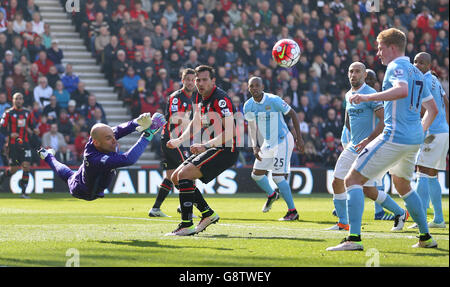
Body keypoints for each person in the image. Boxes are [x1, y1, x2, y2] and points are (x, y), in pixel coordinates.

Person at [327, 28, 439, 251]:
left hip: (394, 136)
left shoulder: (395, 66)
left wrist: (367, 96)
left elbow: (401, 91)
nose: (377, 53)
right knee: (403, 184)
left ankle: (354, 239)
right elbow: (432, 109)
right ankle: (426, 237)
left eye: (380, 48)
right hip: (413, 139)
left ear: (392, 47)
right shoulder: (418, 72)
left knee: (352, 180)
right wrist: (418, 131)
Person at [327, 62, 407, 232]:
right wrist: (352, 138)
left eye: (357, 71)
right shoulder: (348, 95)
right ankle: (343, 222)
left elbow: (383, 122)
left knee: (369, 189)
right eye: (350, 71)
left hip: (369, 147)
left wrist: (368, 140)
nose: (353, 74)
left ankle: (400, 212)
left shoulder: (371, 94)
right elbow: (349, 120)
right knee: (336, 181)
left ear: (364, 75)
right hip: (353, 146)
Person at [165, 65, 239, 236]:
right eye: (198, 80)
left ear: (213, 81)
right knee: (176, 177)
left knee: (185, 175)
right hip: (213, 146)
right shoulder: (199, 96)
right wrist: (179, 140)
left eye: (205, 80)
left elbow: (230, 132)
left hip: (226, 149)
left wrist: (205, 146)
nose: (200, 83)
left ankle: (186, 225)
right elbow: (196, 121)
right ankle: (207, 214)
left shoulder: (221, 99)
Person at [37, 113, 166, 201]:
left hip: (86, 174)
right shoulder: (95, 159)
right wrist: (147, 135)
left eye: (113, 137)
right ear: (97, 143)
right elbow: (129, 159)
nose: (114, 140)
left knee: (70, 173)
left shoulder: (100, 138)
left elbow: (119, 130)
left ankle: (48, 155)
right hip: (82, 191)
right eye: (109, 138)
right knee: (68, 175)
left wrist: (135, 122)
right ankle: (49, 157)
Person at [243, 77, 305, 221]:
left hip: (283, 140)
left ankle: (292, 211)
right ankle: (272, 195)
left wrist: (299, 138)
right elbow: (252, 127)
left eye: (257, 85)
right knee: (256, 175)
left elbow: (293, 114)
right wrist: (255, 145)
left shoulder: (274, 100)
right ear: (248, 88)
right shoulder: (248, 105)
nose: (255, 88)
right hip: (268, 142)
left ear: (262, 86)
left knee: (277, 176)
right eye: (252, 86)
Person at [148, 68, 199, 217]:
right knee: (189, 171)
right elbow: (174, 118)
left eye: (193, 80)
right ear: (182, 81)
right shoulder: (176, 97)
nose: (190, 82)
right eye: (187, 79)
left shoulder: (193, 98)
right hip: (172, 139)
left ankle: (155, 209)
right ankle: (187, 207)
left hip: (177, 140)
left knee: (171, 175)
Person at [411, 52, 449, 229]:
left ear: (429, 65)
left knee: (421, 171)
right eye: (415, 62)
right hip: (443, 132)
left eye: (421, 62)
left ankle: (421, 218)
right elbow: (446, 103)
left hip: (432, 132)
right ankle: (439, 219)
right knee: (432, 175)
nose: (417, 65)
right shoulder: (436, 80)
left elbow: (420, 109)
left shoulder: (424, 81)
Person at [0, 93, 37, 198]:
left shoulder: (27, 113)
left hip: (25, 144)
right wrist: (9, 134)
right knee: (14, 169)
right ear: (13, 100)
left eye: (20, 99)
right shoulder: (8, 113)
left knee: (26, 166)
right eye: (16, 99)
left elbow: (32, 125)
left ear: (23, 101)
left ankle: (24, 193)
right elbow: (1, 127)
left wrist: (35, 129)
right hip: (13, 145)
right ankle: (2, 177)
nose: (18, 101)